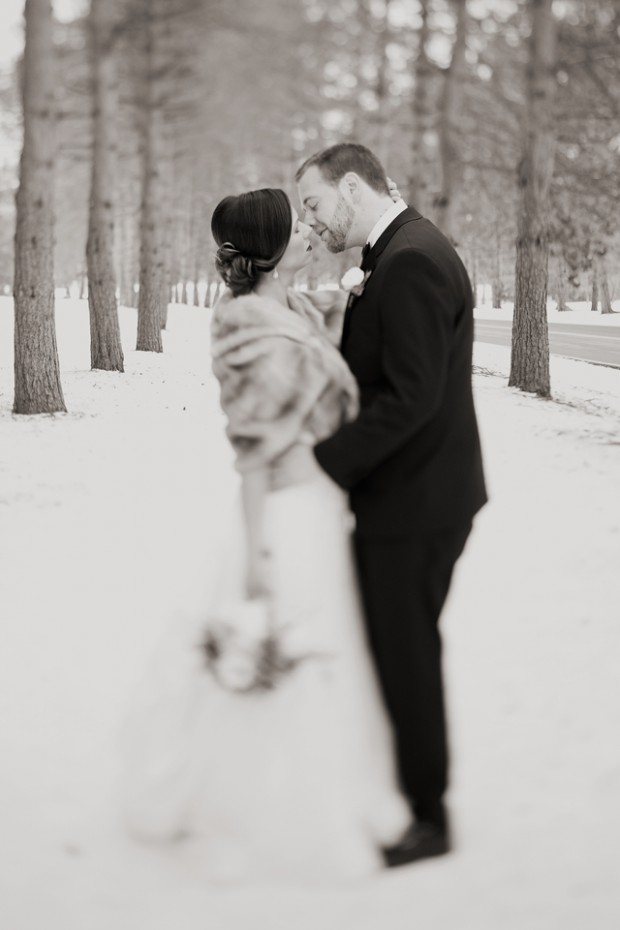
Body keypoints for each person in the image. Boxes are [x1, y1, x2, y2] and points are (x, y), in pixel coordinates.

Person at [119, 187, 410, 882]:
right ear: (273, 247)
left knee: (327, 649)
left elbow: (319, 323)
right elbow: (252, 451)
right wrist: (257, 553)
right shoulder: (245, 321)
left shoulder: (280, 302)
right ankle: (259, 803)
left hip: (318, 503)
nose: (311, 229)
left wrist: (338, 272)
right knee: (285, 647)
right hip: (281, 513)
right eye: (297, 224)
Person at [296, 143, 488, 866]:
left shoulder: (407, 261)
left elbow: (411, 397)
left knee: (406, 655)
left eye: (314, 204)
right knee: (398, 650)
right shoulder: (402, 250)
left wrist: (324, 462)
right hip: (420, 492)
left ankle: (429, 818)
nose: (310, 222)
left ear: (352, 187)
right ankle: (414, 794)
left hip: (416, 502)